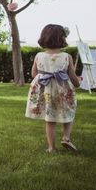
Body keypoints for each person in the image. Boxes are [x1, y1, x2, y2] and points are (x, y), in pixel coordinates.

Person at [26, 24, 82, 153]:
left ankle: (51, 148)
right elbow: (72, 76)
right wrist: (77, 83)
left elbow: (34, 74)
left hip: (46, 92)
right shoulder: (66, 57)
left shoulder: (39, 56)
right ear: (62, 39)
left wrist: (46, 76)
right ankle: (66, 138)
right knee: (68, 112)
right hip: (63, 90)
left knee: (50, 119)